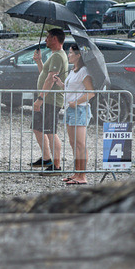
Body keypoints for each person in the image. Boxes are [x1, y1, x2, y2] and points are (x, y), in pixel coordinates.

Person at [50, 44, 95, 185]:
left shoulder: (84, 71)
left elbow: (91, 92)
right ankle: (77, 173)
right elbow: (71, 88)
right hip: (70, 109)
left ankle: (82, 175)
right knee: (73, 143)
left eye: (70, 53)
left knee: (80, 143)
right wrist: (61, 84)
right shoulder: (73, 71)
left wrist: (76, 101)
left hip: (79, 109)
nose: (68, 55)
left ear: (78, 55)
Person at [30, 28, 68, 172]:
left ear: (54, 39)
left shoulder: (58, 56)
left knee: (50, 131)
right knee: (37, 128)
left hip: (51, 100)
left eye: (47, 37)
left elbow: (51, 79)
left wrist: (40, 98)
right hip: (47, 99)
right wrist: (39, 61)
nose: (45, 40)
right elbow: (44, 75)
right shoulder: (54, 55)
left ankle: (56, 165)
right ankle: (46, 159)